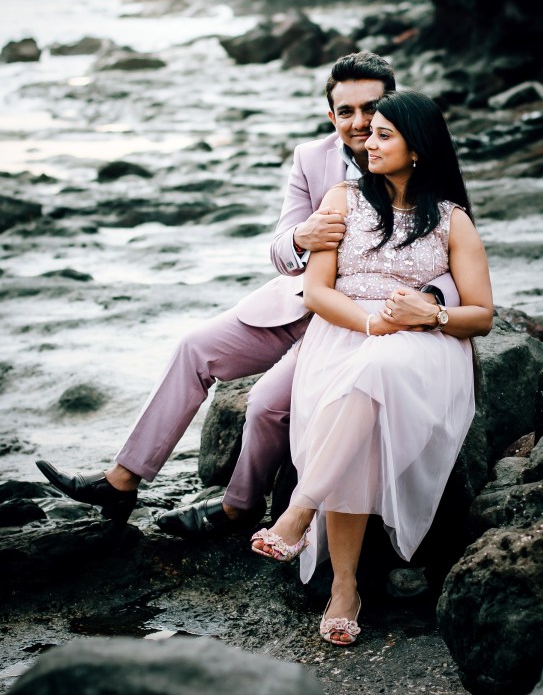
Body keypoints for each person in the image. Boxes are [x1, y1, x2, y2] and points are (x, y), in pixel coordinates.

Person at [35, 53, 457, 535]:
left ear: (394, 105)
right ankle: (122, 480)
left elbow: (450, 244)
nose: (359, 123)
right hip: (297, 302)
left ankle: (240, 504)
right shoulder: (310, 158)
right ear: (331, 116)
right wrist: (303, 237)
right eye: (346, 112)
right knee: (193, 347)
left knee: (265, 405)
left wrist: (428, 302)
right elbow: (278, 249)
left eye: (372, 108)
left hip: (363, 321)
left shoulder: (423, 158)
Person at [250, 91, 493, 646]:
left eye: (385, 134)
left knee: (376, 371)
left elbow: (481, 315)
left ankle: (299, 512)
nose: (368, 141)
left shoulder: (453, 221)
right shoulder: (342, 199)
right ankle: (344, 589)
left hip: (424, 347)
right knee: (357, 391)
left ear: (418, 148)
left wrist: (430, 314)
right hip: (346, 333)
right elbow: (314, 291)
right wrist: (368, 323)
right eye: (369, 132)